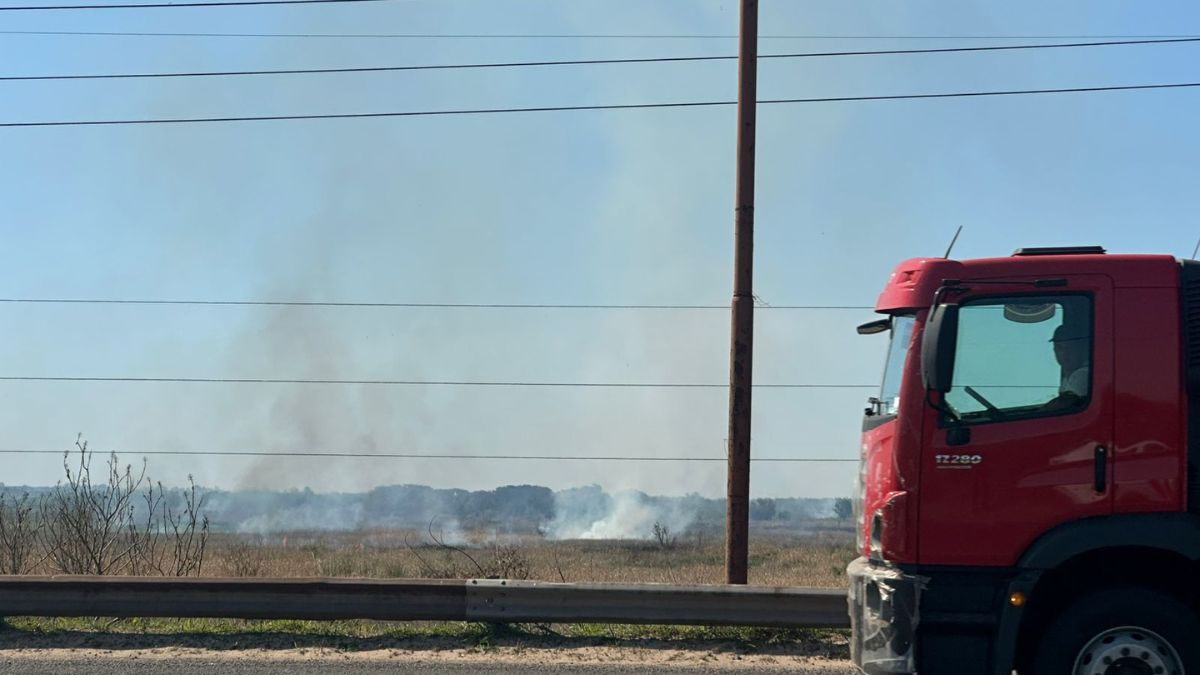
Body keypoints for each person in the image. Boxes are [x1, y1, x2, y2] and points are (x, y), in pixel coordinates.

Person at [1050, 323, 1090, 403]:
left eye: (1070, 347)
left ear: (1080, 349)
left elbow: (1065, 405)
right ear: (1054, 350)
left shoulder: (1082, 375)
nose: (1065, 353)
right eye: (1060, 348)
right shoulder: (1066, 379)